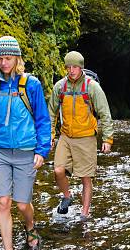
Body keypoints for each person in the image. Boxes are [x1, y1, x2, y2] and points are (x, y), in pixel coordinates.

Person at [0, 35, 51, 250]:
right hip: (0, 152)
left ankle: (30, 226)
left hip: (27, 151)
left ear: (17, 59)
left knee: (22, 203)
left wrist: (41, 150)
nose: (4, 63)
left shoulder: (32, 85)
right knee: (3, 201)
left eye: (8, 58)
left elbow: (43, 120)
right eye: (0, 59)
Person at [48, 51, 114, 220]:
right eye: (68, 67)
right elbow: (51, 113)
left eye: (75, 67)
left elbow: (104, 113)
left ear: (81, 67)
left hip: (86, 137)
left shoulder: (92, 87)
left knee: (86, 178)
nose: (71, 70)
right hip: (66, 136)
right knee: (58, 170)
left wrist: (107, 139)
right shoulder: (60, 87)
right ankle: (67, 196)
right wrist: (50, 136)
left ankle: (84, 214)